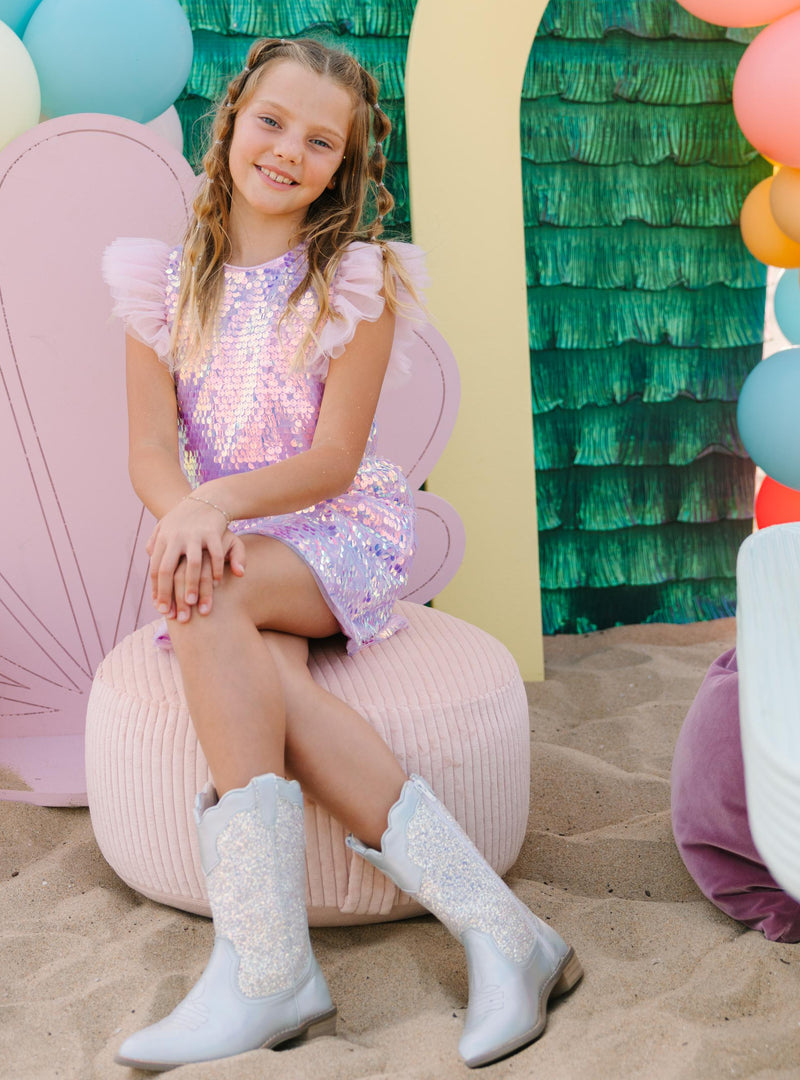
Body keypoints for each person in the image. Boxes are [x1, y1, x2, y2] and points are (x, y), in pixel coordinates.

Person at [101, 36, 581, 1072]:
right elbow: (148, 448)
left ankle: (267, 972)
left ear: (345, 169)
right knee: (253, 656)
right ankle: (506, 935)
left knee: (205, 603)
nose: (289, 152)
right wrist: (186, 513)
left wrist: (213, 511)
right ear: (231, 118)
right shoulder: (158, 283)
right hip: (229, 530)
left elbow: (332, 460)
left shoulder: (353, 282)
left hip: (328, 531)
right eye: (273, 121)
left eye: (322, 142)